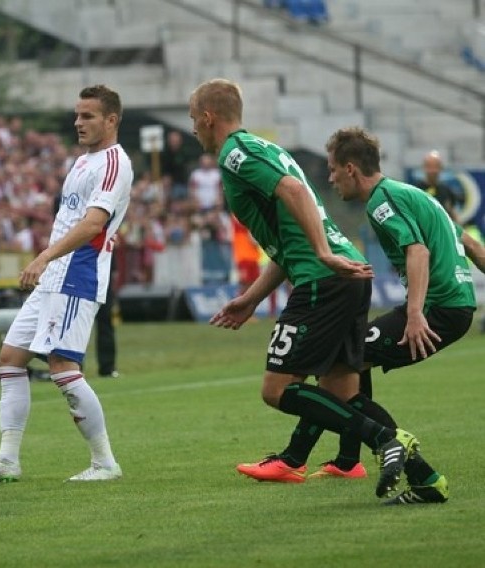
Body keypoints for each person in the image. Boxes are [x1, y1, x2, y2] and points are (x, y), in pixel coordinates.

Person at [190, 78, 426, 502]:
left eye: (193, 119)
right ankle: (422, 472)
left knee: (277, 390)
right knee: (342, 393)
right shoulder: (268, 150)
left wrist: (321, 252)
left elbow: (295, 191)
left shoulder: (235, 153)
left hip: (325, 279)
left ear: (208, 117)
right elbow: (288, 236)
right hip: (344, 276)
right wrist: (251, 298)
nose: (193, 129)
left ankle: (380, 442)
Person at [257, 127, 485, 505]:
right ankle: (349, 460)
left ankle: (381, 443)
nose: (330, 178)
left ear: (350, 168)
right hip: (453, 309)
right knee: (350, 359)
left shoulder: (382, 201)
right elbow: (474, 247)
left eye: (332, 170)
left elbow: (418, 252)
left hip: (436, 311)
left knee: (338, 366)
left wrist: (414, 315)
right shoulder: (410, 195)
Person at [0, 85, 133, 483]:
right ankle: (7, 459)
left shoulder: (114, 162)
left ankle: (104, 462)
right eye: (77, 115)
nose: (78, 122)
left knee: (62, 366)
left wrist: (42, 257)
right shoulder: (82, 162)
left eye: (88, 116)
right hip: (55, 276)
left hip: (76, 275)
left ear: (111, 120)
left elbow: (93, 223)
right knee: (9, 359)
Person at [415, 151, 459, 222]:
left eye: (436, 166)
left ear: (441, 168)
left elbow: (453, 213)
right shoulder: (416, 190)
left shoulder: (446, 191)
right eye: (429, 166)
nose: (433, 170)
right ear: (424, 167)